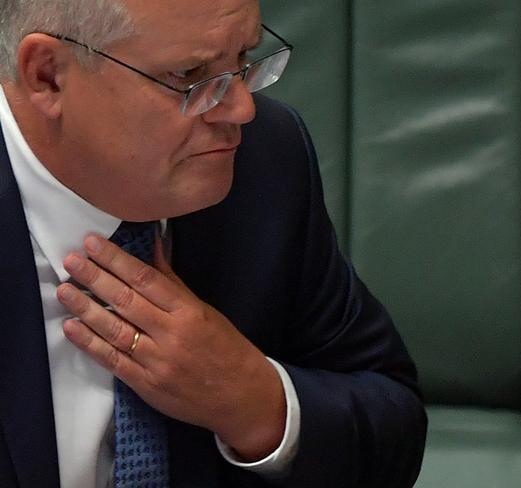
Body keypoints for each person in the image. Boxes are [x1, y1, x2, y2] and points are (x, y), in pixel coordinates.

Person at [0, 0, 427, 486]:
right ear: (48, 76)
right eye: (189, 74)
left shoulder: (265, 158)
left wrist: (254, 403)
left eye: (244, 58)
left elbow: (394, 428)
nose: (242, 108)